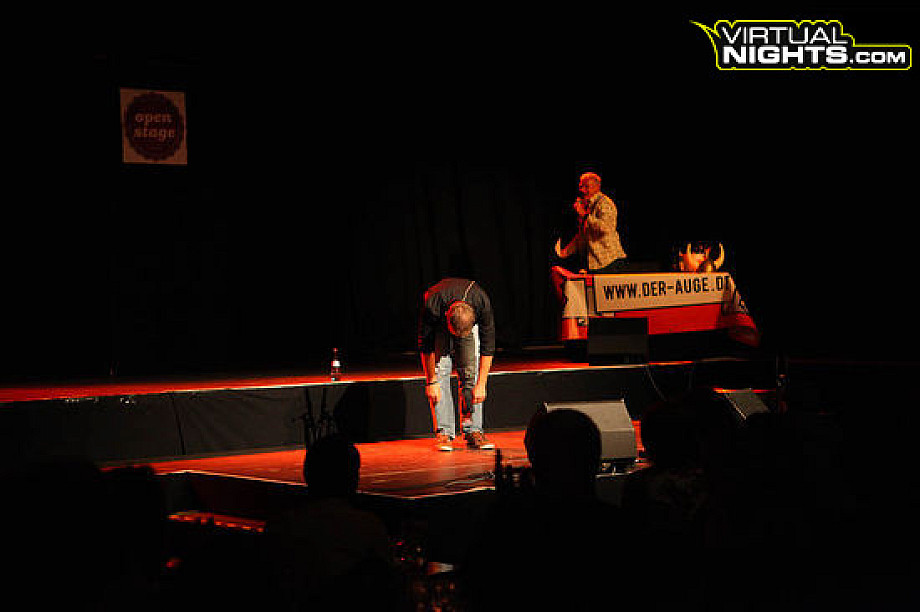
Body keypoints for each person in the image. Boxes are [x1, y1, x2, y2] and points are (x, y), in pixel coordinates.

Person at [418, 278, 496, 451]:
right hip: (440, 324)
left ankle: (473, 430)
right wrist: (431, 381)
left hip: (464, 321)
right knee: (440, 372)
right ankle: (444, 433)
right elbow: (426, 345)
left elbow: (488, 346)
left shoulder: (481, 302)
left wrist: (482, 384)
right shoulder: (433, 305)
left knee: (471, 374)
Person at [554, 171, 627, 273]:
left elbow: (606, 228)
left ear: (597, 187)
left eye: (586, 187)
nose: (582, 190)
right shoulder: (588, 206)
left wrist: (584, 215)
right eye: (581, 187)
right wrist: (565, 252)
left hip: (609, 262)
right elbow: (584, 235)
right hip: (596, 263)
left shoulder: (604, 203)